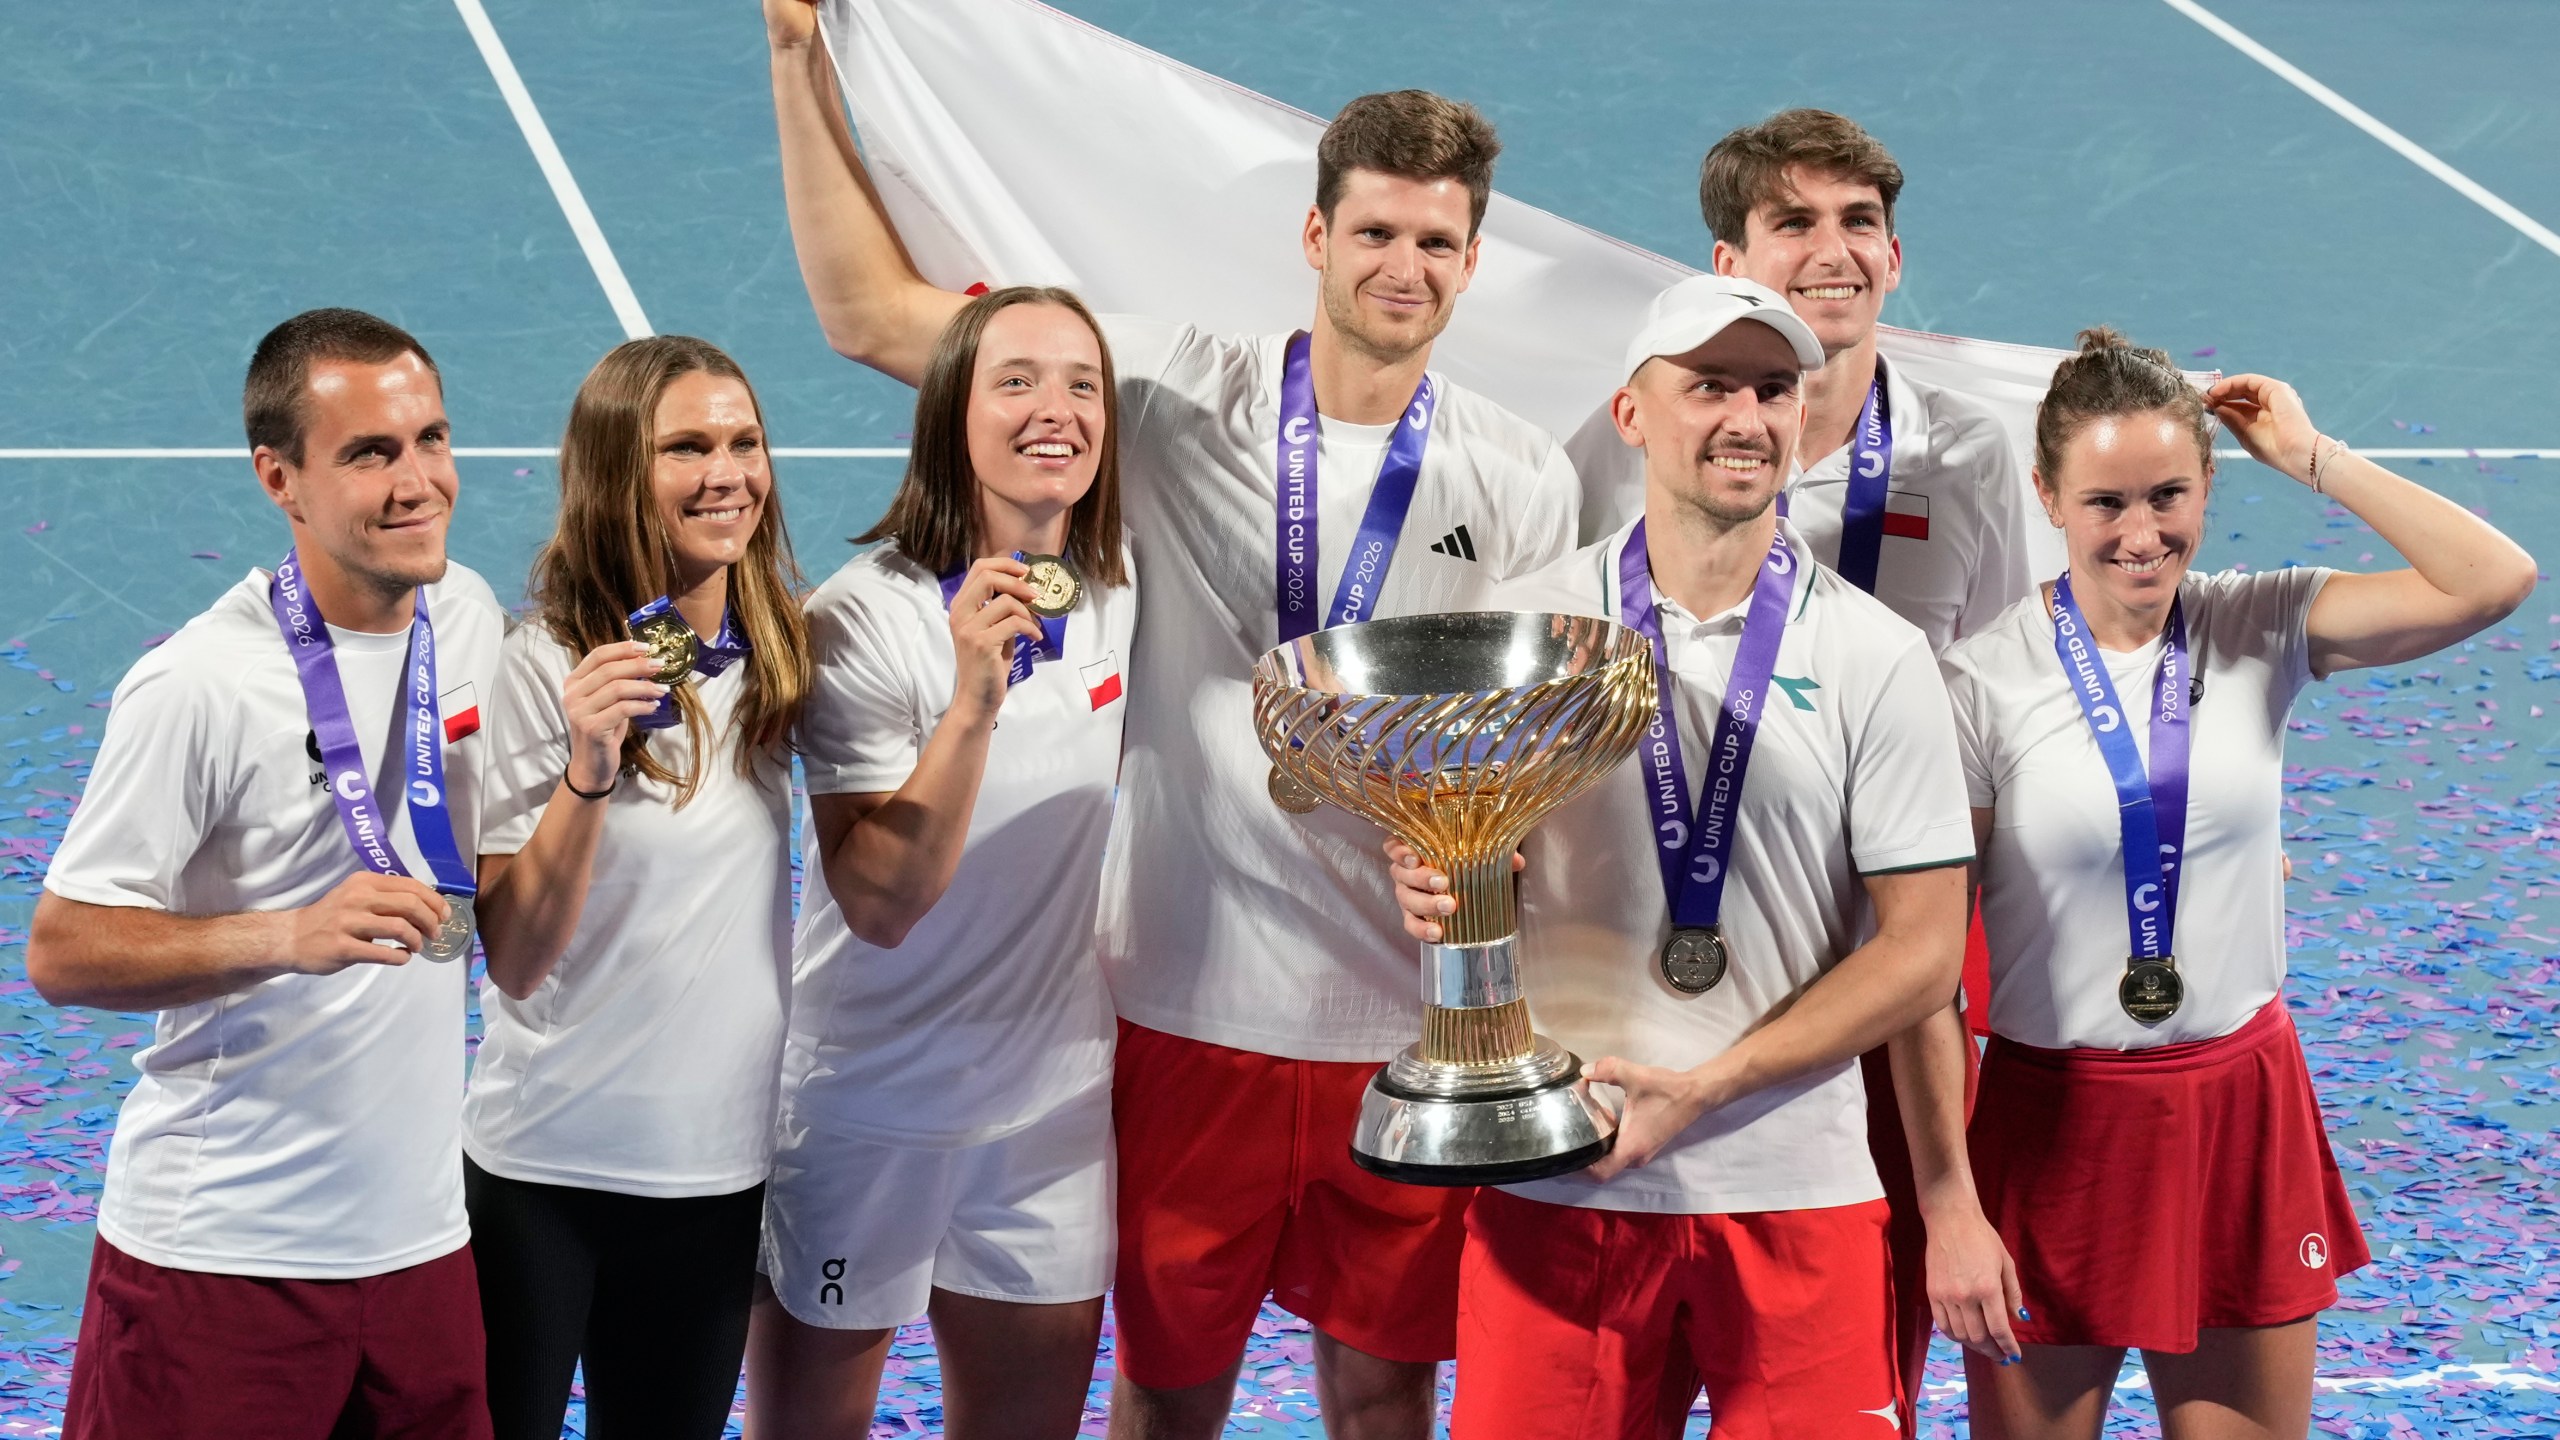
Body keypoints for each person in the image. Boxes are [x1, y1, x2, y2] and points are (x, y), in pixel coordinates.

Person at [764, 4, 1581, 1433]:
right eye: (1376, 233)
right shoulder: (1165, 390)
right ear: (1317, 240)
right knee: (1166, 1392)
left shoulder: (1513, 477)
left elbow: (1511, 756)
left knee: (1386, 1391)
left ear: (1470, 263)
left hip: (1397, 1020)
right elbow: (873, 319)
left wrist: (1472, 860)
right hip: (1182, 1010)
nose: (1405, 266)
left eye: (1437, 243)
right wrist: (793, 54)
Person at [1388, 273, 1976, 1437]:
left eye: (1771, 390)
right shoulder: (1526, 625)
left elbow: (1922, 955)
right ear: (1631, 415)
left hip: (1795, 1189)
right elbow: (1474, 866)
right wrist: (1441, 882)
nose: (1745, 419)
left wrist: (1704, 1089)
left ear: (1803, 420)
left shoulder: (1877, 653)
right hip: (1564, 1175)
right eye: (1708, 386)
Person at [1942, 329, 2536, 1439]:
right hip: (2054, 1119)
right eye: (2104, 501)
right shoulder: (1983, 681)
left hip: (2235, 1104)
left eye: (2168, 494)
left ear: (2208, 484)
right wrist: (1946, 1197)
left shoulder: (2255, 620)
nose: (2139, 533)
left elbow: (2493, 581)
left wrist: (2317, 459)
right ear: (2046, 497)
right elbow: (1933, 955)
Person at [1573, 106, 2039, 1412]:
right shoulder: (1637, 443)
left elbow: (1997, 691)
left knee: (1859, 1307)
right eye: (1794, 223)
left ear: (1896, 258)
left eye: (1859, 224)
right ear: (1729, 263)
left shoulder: (1965, 456)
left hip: (1893, 933)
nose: (1832, 252)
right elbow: (1565, 636)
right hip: (1680, 923)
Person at [29, 309, 505, 1439]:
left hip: (421, 1251)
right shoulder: (200, 683)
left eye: (431, 440)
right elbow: (62, 947)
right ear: (279, 477)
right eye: (370, 454)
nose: (419, 482)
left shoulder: (470, 615)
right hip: (222, 1258)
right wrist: (282, 935)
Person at [744, 286, 1133, 1439]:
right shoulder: (864, 620)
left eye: (1081, 383)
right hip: (870, 1104)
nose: (1053, 409)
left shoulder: (1124, 592)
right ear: (949, 414)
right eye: (1014, 380)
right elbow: (880, 903)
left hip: (1051, 1110)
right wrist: (972, 700)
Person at [461, 336, 810, 1439]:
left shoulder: (784, 657)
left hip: (713, 1176)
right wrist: (588, 771)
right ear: (620, 470)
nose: (727, 473)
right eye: (686, 448)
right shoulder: (540, 664)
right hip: (540, 1174)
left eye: (743, 442)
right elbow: (515, 956)